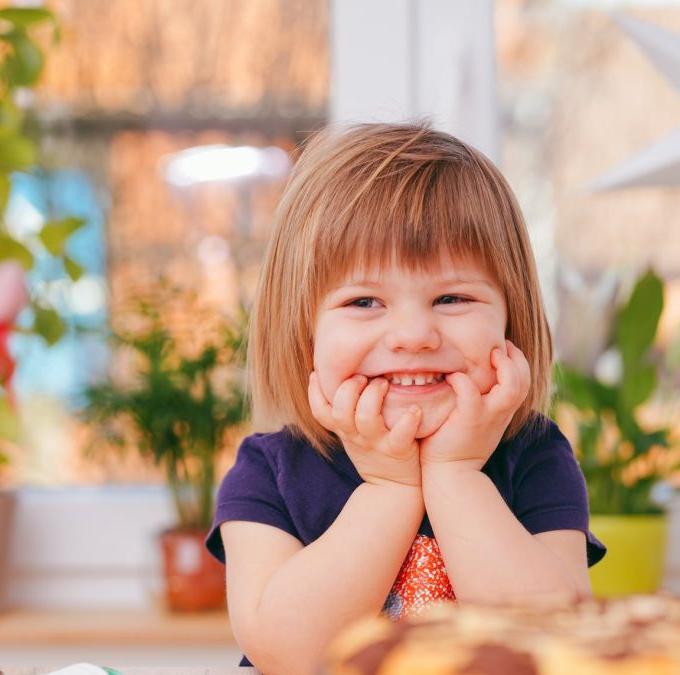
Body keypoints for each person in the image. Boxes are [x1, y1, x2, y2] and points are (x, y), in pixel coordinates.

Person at [204, 122, 606, 675]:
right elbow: (288, 653)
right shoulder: (268, 470)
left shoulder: (535, 455)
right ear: (304, 332)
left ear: (511, 319)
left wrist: (456, 475)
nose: (414, 334)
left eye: (452, 297)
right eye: (365, 301)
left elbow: (552, 644)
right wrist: (390, 487)